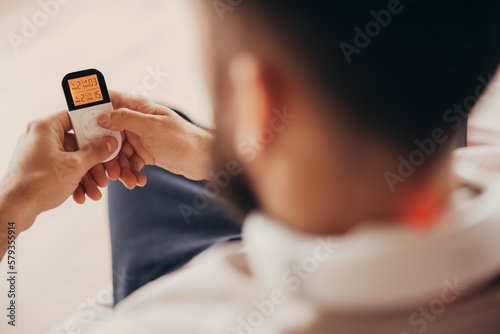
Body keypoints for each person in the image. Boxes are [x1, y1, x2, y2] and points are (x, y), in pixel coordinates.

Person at [2, 0, 500, 333]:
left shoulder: (161, 320)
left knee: (142, 188)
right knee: (152, 179)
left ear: (257, 101)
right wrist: (213, 153)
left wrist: (13, 205)